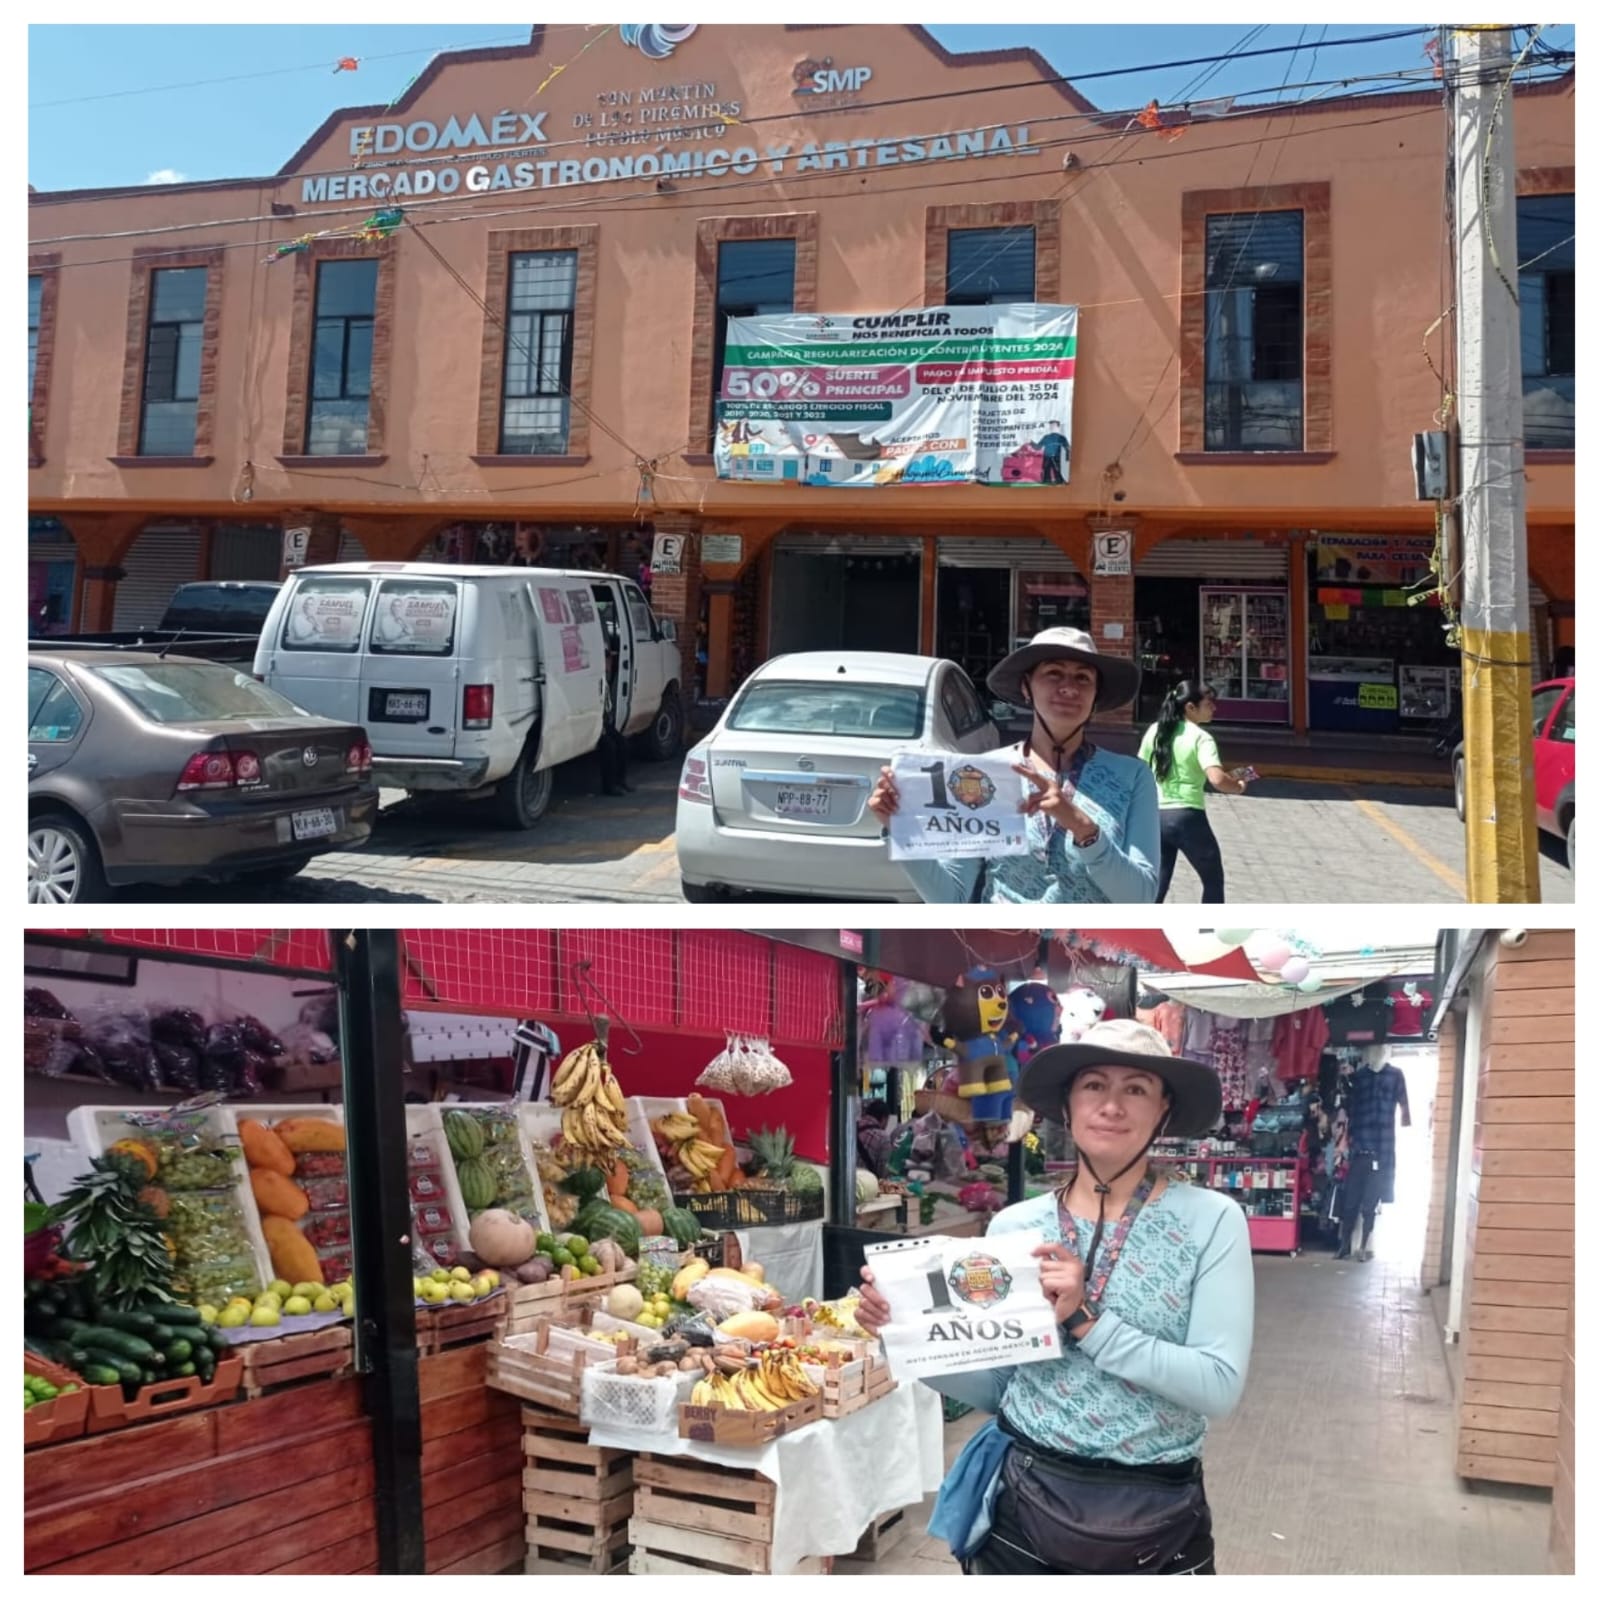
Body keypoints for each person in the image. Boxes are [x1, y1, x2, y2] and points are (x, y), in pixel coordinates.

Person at [855, 1020, 1254, 1575]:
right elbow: (997, 1386)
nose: (1111, 1105)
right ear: (1067, 1104)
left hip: (1151, 1517)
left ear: (1163, 1110)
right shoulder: (1018, 1226)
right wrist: (908, 1335)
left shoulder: (1211, 1221)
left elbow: (1217, 1386)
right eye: (1093, 1084)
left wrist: (1088, 1320)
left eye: (1136, 1088)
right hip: (1021, 1509)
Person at [867, 627, 1159, 902]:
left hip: (1095, 953)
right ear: (1026, 687)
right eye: (1054, 673)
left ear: (1096, 696)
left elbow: (1141, 897)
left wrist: (1082, 827)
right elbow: (950, 898)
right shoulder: (984, 774)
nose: (1069, 688)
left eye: (1083, 678)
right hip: (1002, 953)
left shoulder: (1132, 777)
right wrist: (900, 829)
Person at [1137, 680, 1249, 904]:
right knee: (1212, 881)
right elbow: (1217, 779)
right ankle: (1209, 931)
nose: (1214, 708)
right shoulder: (1201, 737)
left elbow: (1140, 770)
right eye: (1209, 704)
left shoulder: (1155, 730)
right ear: (1190, 707)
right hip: (1187, 817)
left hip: (1156, 816)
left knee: (1158, 882)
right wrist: (1237, 786)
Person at [597, 636, 632, 796]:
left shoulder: (607, 678)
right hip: (595, 725)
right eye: (607, 658)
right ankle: (609, 786)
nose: (609, 663)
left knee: (623, 744)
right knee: (609, 747)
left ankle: (621, 781)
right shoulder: (596, 679)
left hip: (604, 723)